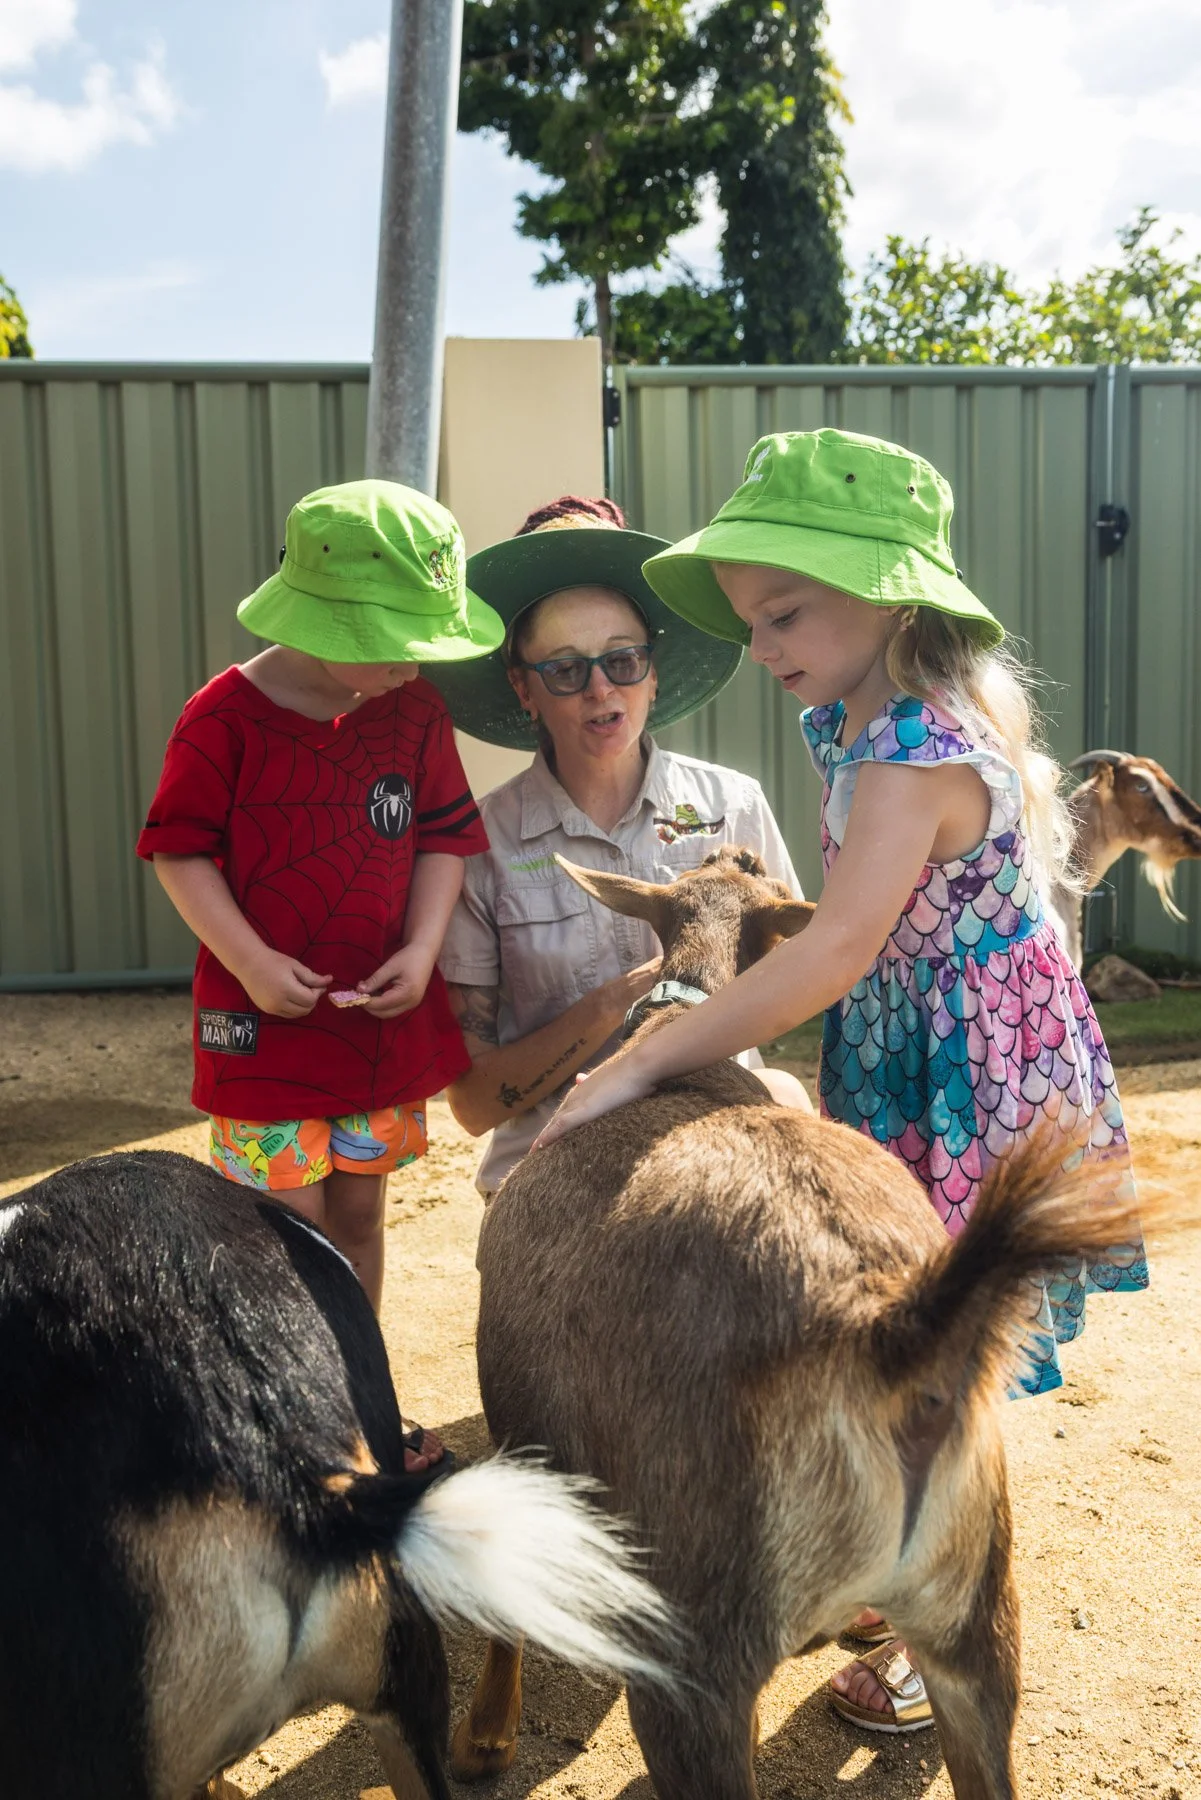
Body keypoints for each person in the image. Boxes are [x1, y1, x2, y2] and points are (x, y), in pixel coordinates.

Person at [532, 431, 1147, 1729]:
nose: (759, 644)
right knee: (889, 1322)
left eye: (785, 610)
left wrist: (637, 1061)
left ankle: (941, 1622)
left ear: (890, 593)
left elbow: (835, 947)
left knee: (944, 1348)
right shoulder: (851, 718)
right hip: (911, 1037)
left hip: (968, 1066)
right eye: (753, 619)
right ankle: (887, 1530)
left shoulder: (915, 742)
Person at [137, 479, 504, 1474]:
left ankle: (359, 1403)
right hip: (263, 1035)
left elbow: (441, 837)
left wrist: (423, 947)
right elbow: (179, 850)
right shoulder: (221, 719)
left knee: (360, 1216)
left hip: (377, 1032)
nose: (410, 663)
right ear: (320, 616)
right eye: (392, 640)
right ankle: (286, 1426)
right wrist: (251, 964)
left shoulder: (413, 708)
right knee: (279, 1232)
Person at [430, 494, 812, 1201]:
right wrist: (622, 1001)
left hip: (713, 1130)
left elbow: (793, 985)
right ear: (524, 688)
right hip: (547, 1161)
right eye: (566, 670)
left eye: (623, 659)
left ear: (654, 669)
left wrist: (676, 1058)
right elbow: (475, 1105)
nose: (601, 689)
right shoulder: (478, 845)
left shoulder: (733, 806)